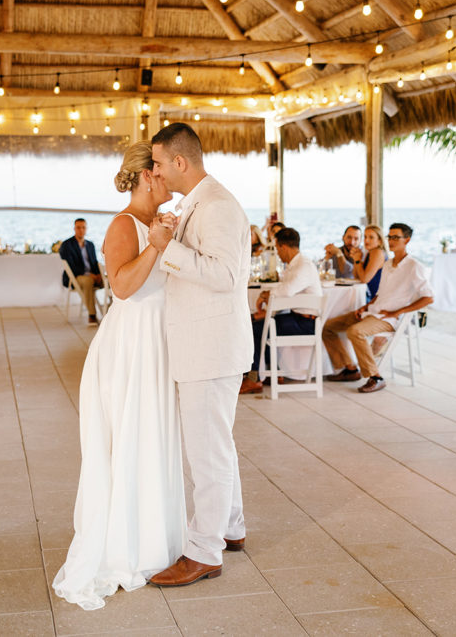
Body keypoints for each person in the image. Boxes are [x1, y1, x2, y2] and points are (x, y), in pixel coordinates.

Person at [52, 141, 185, 611]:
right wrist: (156, 244)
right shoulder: (123, 225)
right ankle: (129, 547)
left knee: (154, 439)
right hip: (130, 345)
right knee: (131, 438)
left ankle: (157, 540)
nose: (171, 176)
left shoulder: (158, 223)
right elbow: (124, 287)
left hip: (158, 342)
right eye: (164, 170)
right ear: (148, 175)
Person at [146, 123, 250, 588]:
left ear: (180, 163)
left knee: (205, 453)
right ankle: (231, 527)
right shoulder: (199, 204)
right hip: (205, 345)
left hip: (210, 349)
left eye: (159, 163)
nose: (156, 171)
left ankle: (203, 550)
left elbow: (225, 275)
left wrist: (168, 248)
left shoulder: (219, 206)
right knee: (216, 444)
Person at [321, 223, 434, 394]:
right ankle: (349, 368)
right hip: (374, 310)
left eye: (396, 237)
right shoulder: (388, 265)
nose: (391, 240)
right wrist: (365, 306)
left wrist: (398, 312)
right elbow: (380, 293)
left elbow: (429, 297)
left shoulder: (414, 266)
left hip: (390, 318)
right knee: (327, 327)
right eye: (390, 237)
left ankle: (375, 377)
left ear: (407, 240)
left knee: (355, 332)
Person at [240, 227, 322, 394]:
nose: (277, 253)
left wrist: (266, 294)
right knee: (260, 324)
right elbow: (285, 289)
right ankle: (273, 372)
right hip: (297, 318)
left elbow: (286, 291)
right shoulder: (296, 265)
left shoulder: (304, 266)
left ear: (284, 247)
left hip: (306, 323)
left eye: (277, 248)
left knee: (256, 329)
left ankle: (253, 379)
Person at [59, 219, 104, 325]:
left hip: (92, 276)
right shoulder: (67, 245)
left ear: (86, 229)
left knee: (110, 280)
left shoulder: (90, 245)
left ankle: (111, 311)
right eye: (78, 227)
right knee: (88, 281)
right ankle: (92, 316)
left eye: (83, 227)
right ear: (74, 229)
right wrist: (90, 275)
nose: (81, 230)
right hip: (76, 277)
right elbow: (71, 266)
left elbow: (94, 263)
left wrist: (99, 274)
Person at [351, 224, 387, 300]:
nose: (366, 240)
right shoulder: (369, 252)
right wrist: (356, 259)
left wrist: (357, 260)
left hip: (376, 299)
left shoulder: (378, 253)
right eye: (365, 237)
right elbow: (356, 276)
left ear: (380, 240)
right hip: (368, 295)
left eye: (371, 237)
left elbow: (364, 279)